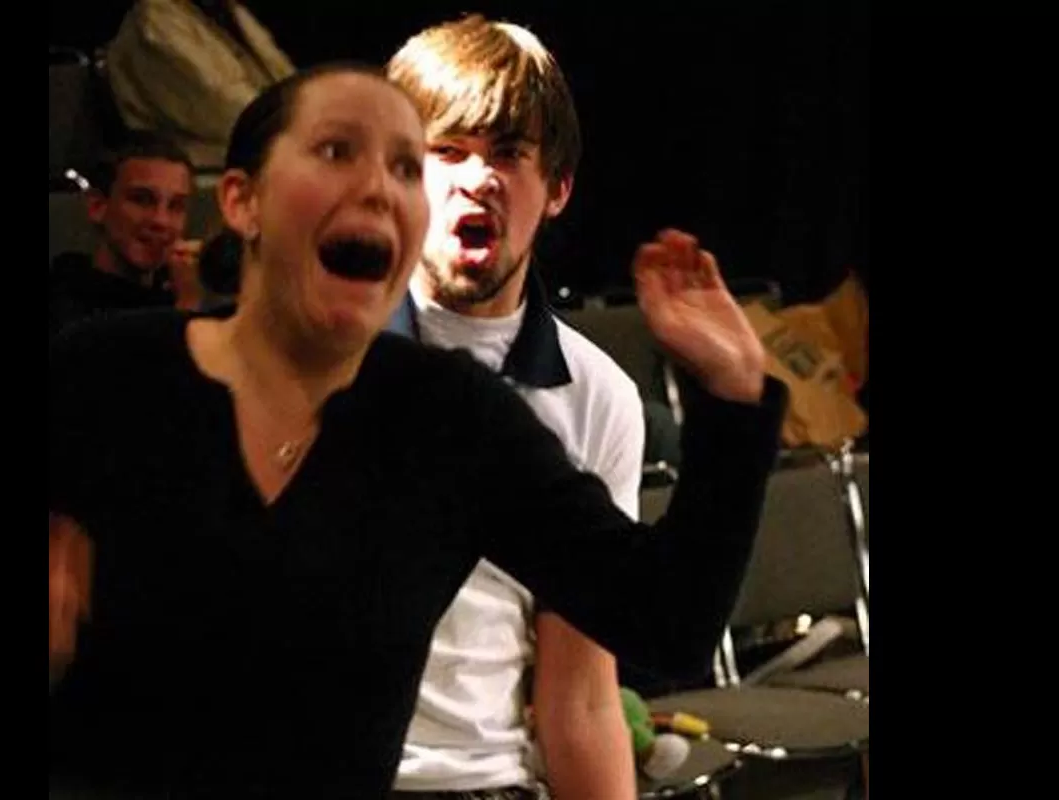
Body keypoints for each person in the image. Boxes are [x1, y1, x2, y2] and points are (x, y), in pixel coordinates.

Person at [49, 62, 786, 798]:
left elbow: (667, 621)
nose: (378, 187)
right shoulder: (106, 372)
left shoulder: (450, 418)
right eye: (337, 150)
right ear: (243, 200)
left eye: (404, 167)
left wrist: (733, 394)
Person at [384, 16, 647, 798]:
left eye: (507, 153)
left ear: (557, 187)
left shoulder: (595, 394)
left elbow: (582, 697)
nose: (479, 177)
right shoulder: (326, 350)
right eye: (448, 150)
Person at [105, 0, 296, 168]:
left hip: (250, 155)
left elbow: (289, 83)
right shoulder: (154, 21)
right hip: (194, 173)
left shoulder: (228, 12)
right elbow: (228, 113)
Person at [49, 132, 195, 336]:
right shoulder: (62, 305)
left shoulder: (179, 289)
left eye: (176, 205)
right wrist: (188, 309)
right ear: (98, 206)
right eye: (141, 199)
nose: (161, 220)